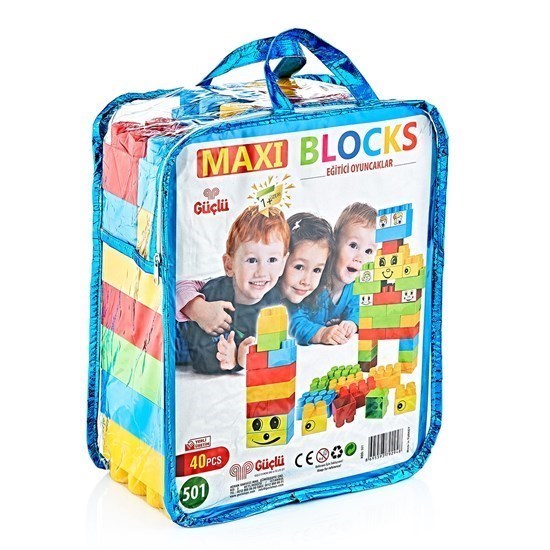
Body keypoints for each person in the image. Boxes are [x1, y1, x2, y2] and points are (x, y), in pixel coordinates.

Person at [184, 205, 290, 374]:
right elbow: (198, 358)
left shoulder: (274, 300)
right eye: (252, 260)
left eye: (272, 260)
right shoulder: (214, 296)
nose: (261, 272)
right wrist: (235, 360)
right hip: (176, 347)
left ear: (283, 263)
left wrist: (241, 357)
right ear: (229, 265)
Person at [290, 202, 377, 346]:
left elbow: (360, 308)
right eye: (353, 245)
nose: (359, 258)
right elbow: (292, 319)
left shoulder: (356, 287)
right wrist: (320, 333)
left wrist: (352, 323)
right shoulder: (312, 280)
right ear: (334, 244)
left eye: (368, 251)